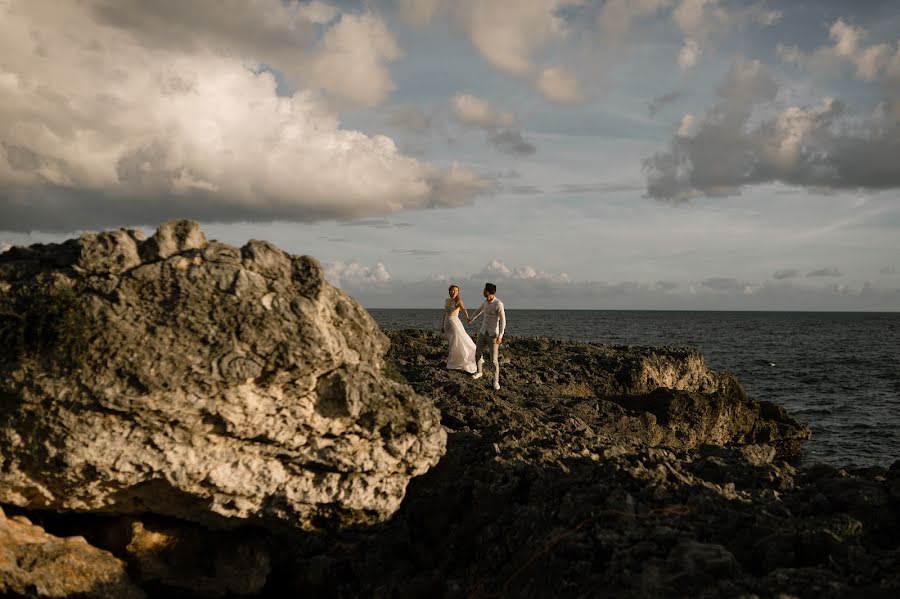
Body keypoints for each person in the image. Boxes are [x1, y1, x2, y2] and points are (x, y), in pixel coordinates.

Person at [467, 282, 505, 391]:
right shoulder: (485, 302)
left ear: (488, 292)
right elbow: (479, 310)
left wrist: (501, 336)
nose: (483, 291)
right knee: (478, 353)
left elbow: (503, 321)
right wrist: (471, 319)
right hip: (482, 332)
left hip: (493, 335)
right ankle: (479, 372)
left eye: (484, 290)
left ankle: (496, 380)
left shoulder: (498, 304)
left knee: (494, 360)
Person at [441, 284, 479, 373]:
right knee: (451, 342)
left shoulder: (458, 301)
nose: (454, 292)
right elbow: (445, 313)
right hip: (447, 324)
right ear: (449, 291)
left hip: (454, 323)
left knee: (458, 342)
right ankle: (454, 361)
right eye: (453, 290)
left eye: (456, 291)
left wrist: (468, 319)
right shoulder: (447, 300)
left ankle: (459, 362)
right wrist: (442, 325)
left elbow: (464, 310)